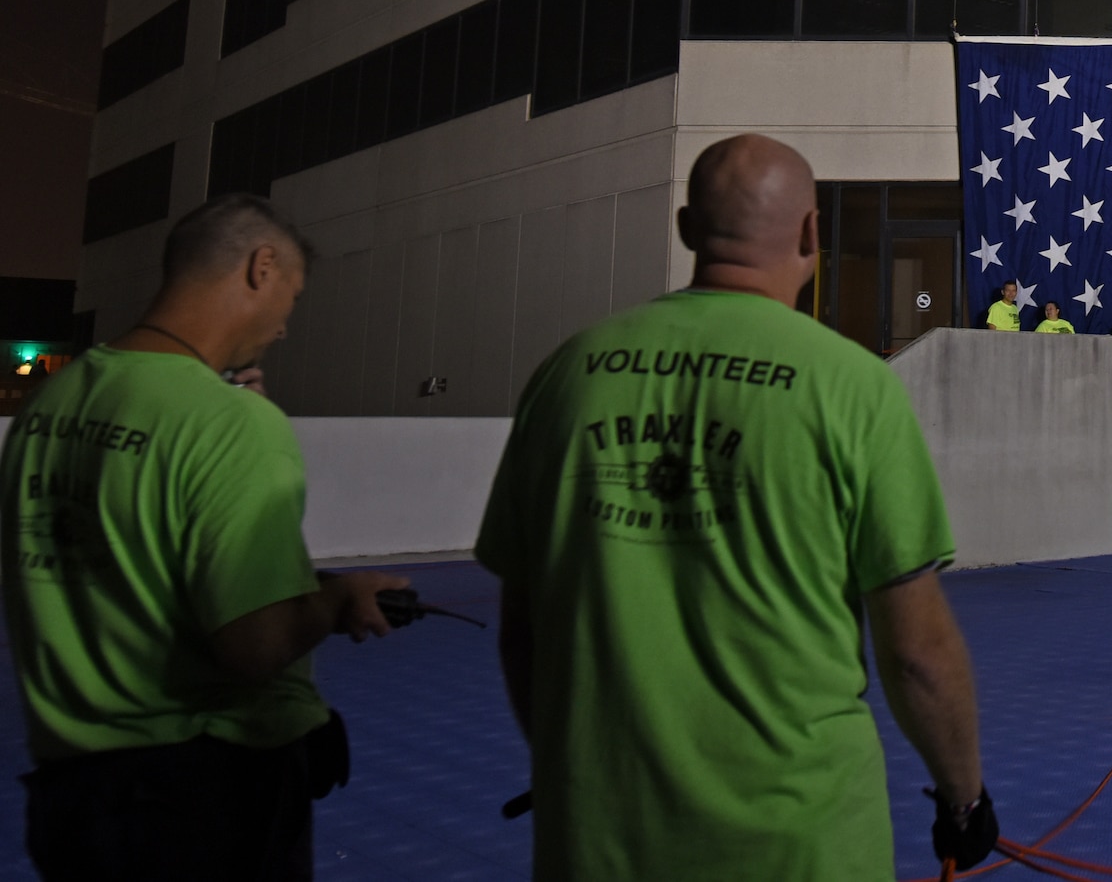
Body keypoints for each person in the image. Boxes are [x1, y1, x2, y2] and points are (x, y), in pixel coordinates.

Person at [476, 134, 994, 880]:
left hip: (598, 837)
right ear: (813, 233)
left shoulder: (569, 375)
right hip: (800, 841)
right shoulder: (850, 387)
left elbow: (522, 632)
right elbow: (916, 652)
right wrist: (963, 800)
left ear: (687, 229)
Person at [0, 193, 406, 882]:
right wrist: (339, 599)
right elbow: (251, 645)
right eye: (293, 297)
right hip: (201, 800)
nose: (283, 328)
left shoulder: (50, 402)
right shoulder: (232, 425)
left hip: (71, 794)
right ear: (262, 267)